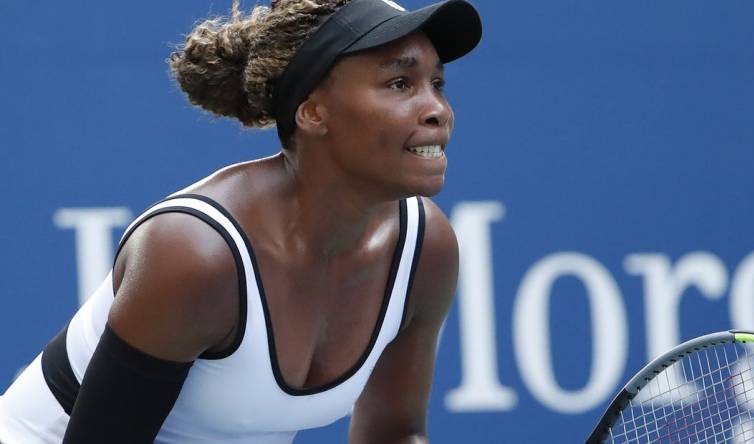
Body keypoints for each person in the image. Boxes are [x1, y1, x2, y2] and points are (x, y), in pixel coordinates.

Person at [0, 0, 481, 442]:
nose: (438, 110)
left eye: (436, 84)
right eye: (400, 83)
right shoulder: (194, 254)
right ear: (313, 112)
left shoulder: (427, 247)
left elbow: (394, 435)